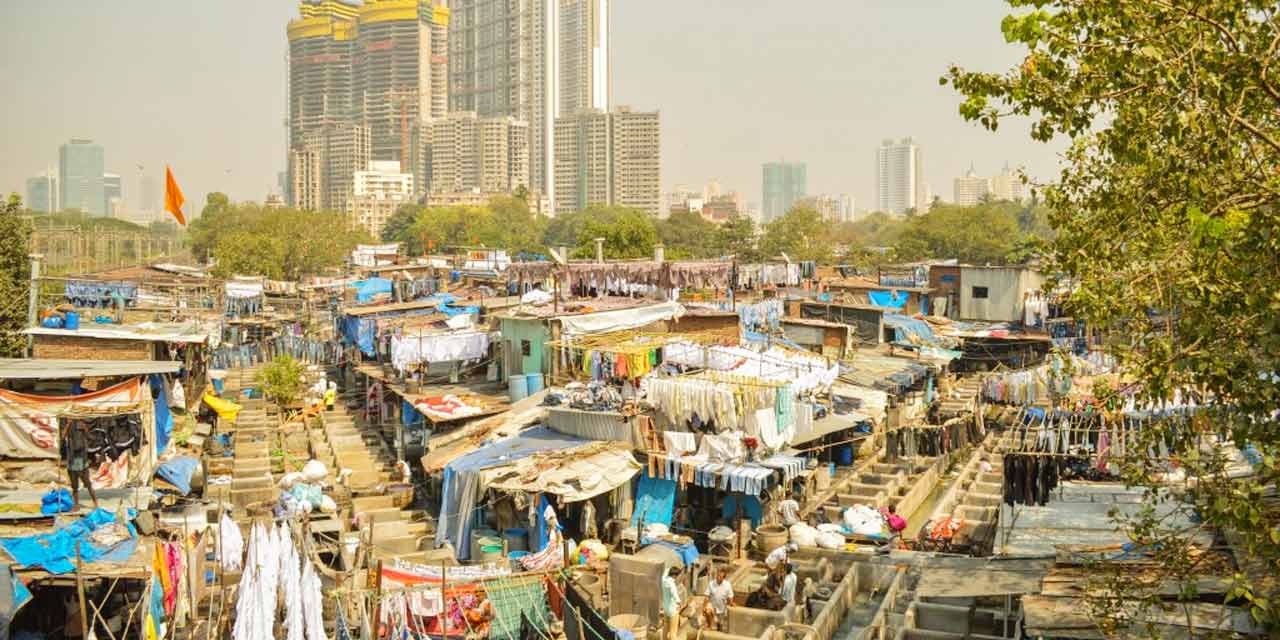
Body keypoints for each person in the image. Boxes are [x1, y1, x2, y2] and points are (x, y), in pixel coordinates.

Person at [60, 419, 98, 510]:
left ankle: (96, 503)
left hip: (82, 460)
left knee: (88, 484)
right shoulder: (67, 425)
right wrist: (68, 425)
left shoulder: (81, 424)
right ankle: (76, 504)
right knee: (74, 486)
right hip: (72, 460)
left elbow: (91, 438)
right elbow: (62, 436)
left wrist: (85, 429)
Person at [661, 566, 683, 640]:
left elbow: (665, 571)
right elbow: (674, 594)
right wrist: (679, 602)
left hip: (666, 609)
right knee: (673, 633)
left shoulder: (663, 580)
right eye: (677, 576)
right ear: (674, 575)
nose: (676, 578)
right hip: (673, 610)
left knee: (665, 628)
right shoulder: (671, 584)